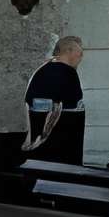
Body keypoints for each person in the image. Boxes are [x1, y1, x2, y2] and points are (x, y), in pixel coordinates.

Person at [24, 35, 86, 163]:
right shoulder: (67, 73)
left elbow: (30, 103)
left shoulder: (43, 69)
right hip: (60, 145)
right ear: (68, 51)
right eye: (79, 53)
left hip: (42, 145)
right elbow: (56, 107)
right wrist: (42, 136)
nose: (81, 58)